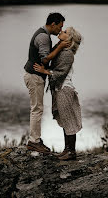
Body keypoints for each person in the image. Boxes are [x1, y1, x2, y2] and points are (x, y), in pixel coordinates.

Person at [34, 27, 82, 160]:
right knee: (66, 120)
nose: (61, 32)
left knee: (69, 121)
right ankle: (67, 150)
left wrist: (45, 72)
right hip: (60, 89)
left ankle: (71, 152)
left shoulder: (67, 54)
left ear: (70, 39)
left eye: (65, 32)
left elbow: (61, 74)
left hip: (64, 89)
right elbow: (53, 62)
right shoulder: (62, 49)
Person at [24, 12, 69, 154]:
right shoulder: (43, 37)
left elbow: (46, 55)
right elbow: (44, 60)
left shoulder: (43, 34)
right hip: (34, 76)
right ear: (53, 24)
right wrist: (61, 47)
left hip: (34, 75)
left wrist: (58, 45)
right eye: (60, 27)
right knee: (37, 109)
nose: (60, 30)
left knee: (37, 108)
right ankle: (34, 142)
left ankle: (35, 139)